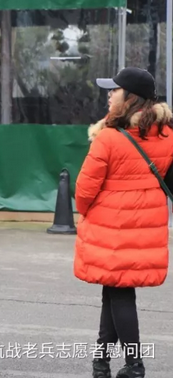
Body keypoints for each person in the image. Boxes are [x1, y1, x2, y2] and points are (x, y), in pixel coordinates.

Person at [75, 68, 173, 378]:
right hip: (147, 226)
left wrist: (85, 213)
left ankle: (134, 365)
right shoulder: (168, 134)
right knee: (114, 289)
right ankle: (101, 361)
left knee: (120, 293)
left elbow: (84, 190)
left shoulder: (108, 137)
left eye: (115, 90)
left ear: (130, 98)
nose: (109, 94)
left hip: (113, 228)